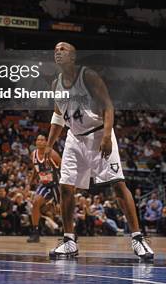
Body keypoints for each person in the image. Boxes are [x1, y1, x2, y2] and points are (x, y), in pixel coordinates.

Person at [45, 42, 154, 260]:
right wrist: (49, 144)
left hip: (97, 134)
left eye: (63, 49)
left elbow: (108, 106)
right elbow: (58, 116)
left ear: (74, 56)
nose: (58, 52)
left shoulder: (88, 76)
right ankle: (69, 241)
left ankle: (138, 238)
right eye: (56, 50)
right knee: (65, 187)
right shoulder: (55, 84)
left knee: (117, 185)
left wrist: (106, 136)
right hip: (74, 138)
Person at [27, 134, 61, 242]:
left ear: (46, 142)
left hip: (56, 185)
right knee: (35, 203)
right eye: (38, 140)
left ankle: (70, 233)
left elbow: (64, 169)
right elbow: (35, 168)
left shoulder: (53, 154)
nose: (40, 141)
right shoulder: (33, 154)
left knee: (60, 209)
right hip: (44, 184)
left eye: (42, 140)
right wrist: (31, 181)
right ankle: (35, 232)